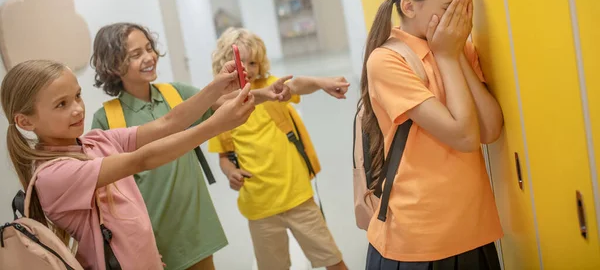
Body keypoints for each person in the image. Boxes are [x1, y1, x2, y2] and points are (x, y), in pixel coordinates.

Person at [2, 59, 254, 270]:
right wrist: (215, 126)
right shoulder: (53, 174)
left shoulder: (94, 141)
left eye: (77, 96)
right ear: (25, 122)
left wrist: (217, 86)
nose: (78, 109)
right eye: (62, 104)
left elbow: (166, 123)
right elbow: (142, 159)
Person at [89, 22, 290, 270]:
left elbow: (222, 101)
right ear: (113, 65)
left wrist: (265, 93)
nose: (149, 56)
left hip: (193, 229)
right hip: (150, 236)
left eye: (149, 48)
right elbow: (109, 194)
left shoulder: (176, 93)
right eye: (135, 54)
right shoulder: (106, 119)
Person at [361, 0, 504, 269]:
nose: (459, 16)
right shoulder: (387, 60)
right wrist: (449, 57)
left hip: (471, 227)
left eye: (463, 5)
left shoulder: (456, 47)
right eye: (448, 7)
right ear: (409, 7)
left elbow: (490, 130)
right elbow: (464, 137)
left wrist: (453, 55)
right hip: (419, 237)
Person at [208, 27, 350, 270]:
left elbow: (296, 84)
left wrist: (321, 82)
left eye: (253, 62)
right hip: (259, 206)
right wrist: (230, 171)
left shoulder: (272, 87)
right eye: (241, 62)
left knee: (331, 258)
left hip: (297, 196)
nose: (248, 69)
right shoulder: (222, 108)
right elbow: (224, 156)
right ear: (224, 64)